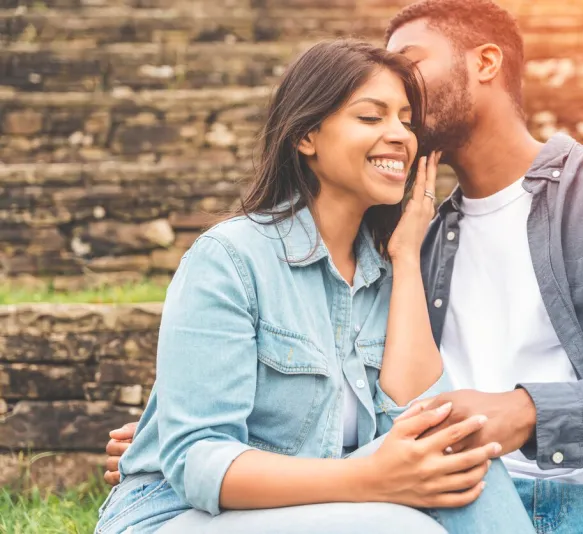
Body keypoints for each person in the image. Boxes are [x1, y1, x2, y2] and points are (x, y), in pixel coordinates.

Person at [105, 1, 583, 533]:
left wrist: (527, 412)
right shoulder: (402, 237)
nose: (402, 104)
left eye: (410, 70)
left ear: (485, 62)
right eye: (375, 107)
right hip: (429, 500)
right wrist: (180, 442)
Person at [94, 39, 535, 534]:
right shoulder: (231, 259)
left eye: (406, 121)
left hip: (318, 512)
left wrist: (407, 258)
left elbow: (422, 420)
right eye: (371, 118)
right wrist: (367, 476)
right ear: (306, 136)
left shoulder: (386, 273)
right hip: (177, 516)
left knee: (457, 446)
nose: (399, 136)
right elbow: (199, 463)